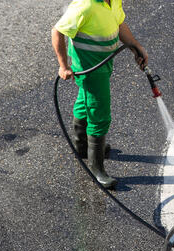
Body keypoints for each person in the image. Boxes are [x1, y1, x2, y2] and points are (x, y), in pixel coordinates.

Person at [51, 0, 148, 189]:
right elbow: (57, 31)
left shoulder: (112, 1)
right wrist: (63, 66)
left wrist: (136, 46)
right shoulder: (85, 6)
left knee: (84, 102)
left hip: (102, 64)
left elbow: (119, 24)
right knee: (99, 115)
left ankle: (83, 147)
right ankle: (97, 170)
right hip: (90, 69)